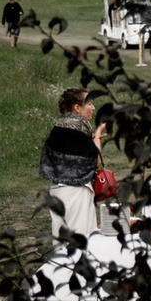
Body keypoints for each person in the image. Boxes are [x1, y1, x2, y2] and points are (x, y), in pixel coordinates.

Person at [38, 88, 105, 241]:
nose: (93, 108)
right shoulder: (80, 126)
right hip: (76, 191)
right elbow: (93, 155)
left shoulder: (60, 124)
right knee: (81, 239)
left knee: (62, 239)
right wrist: (98, 134)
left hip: (57, 189)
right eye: (90, 103)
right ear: (77, 107)